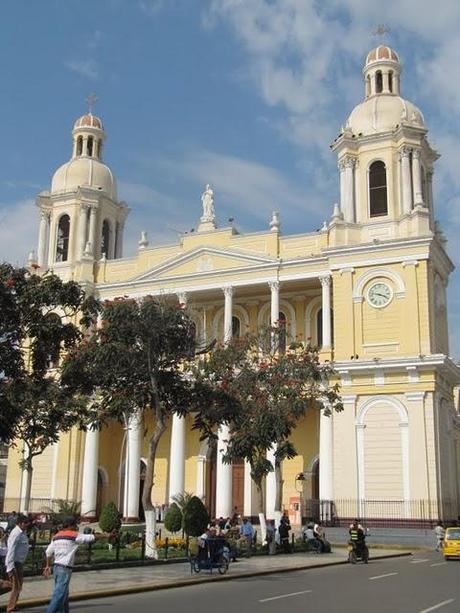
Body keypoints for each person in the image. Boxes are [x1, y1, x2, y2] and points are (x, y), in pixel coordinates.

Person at [43, 517, 108, 613]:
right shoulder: (73, 535)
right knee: (59, 595)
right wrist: (107, 535)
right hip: (65, 569)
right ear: (70, 525)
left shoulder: (56, 536)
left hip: (56, 567)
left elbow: (48, 552)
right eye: (75, 525)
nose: (76, 527)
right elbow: (90, 537)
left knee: (64, 594)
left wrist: (47, 566)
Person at [5, 514, 30, 612]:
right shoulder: (16, 533)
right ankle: (10, 608)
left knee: (18, 586)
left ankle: (13, 605)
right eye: (25, 523)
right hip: (14, 563)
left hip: (19, 563)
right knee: (15, 587)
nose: (26, 525)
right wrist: (10, 567)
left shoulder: (22, 533)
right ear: (19, 523)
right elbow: (11, 550)